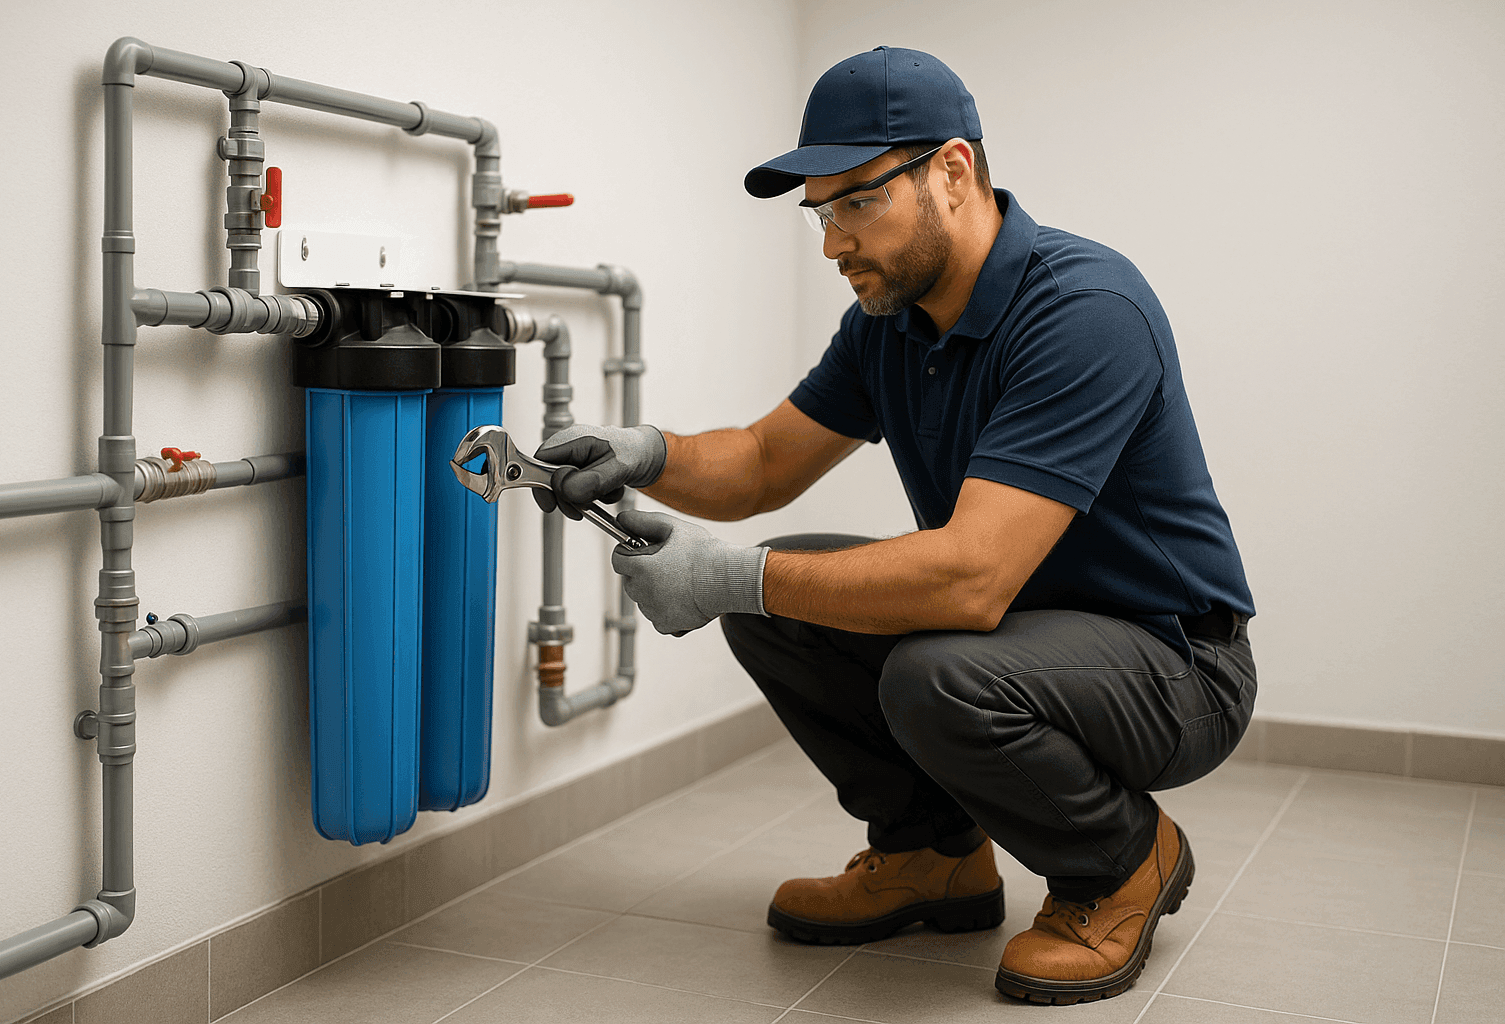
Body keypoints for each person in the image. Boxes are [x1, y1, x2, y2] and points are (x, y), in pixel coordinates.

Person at [531, 45, 1256, 1006]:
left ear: (952, 171)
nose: (834, 243)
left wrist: (727, 576)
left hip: (1175, 664)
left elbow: (970, 579)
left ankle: (1121, 862)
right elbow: (765, 461)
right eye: (821, 213)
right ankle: (934, 855)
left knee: (925, 667)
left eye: (858, 203)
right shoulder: (892, 319)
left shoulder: (1085, 310)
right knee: (782, 599)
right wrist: (647, 452)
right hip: (1020, 635)